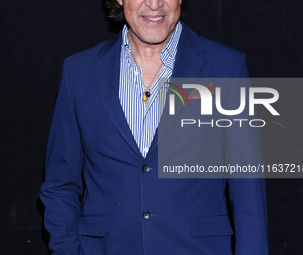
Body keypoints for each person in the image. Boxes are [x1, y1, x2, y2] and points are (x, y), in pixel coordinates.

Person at [39, 0, 269, 254]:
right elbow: (60, 184)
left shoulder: (226, 67)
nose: (154, 4)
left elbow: (248, 187)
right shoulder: (79, 71)